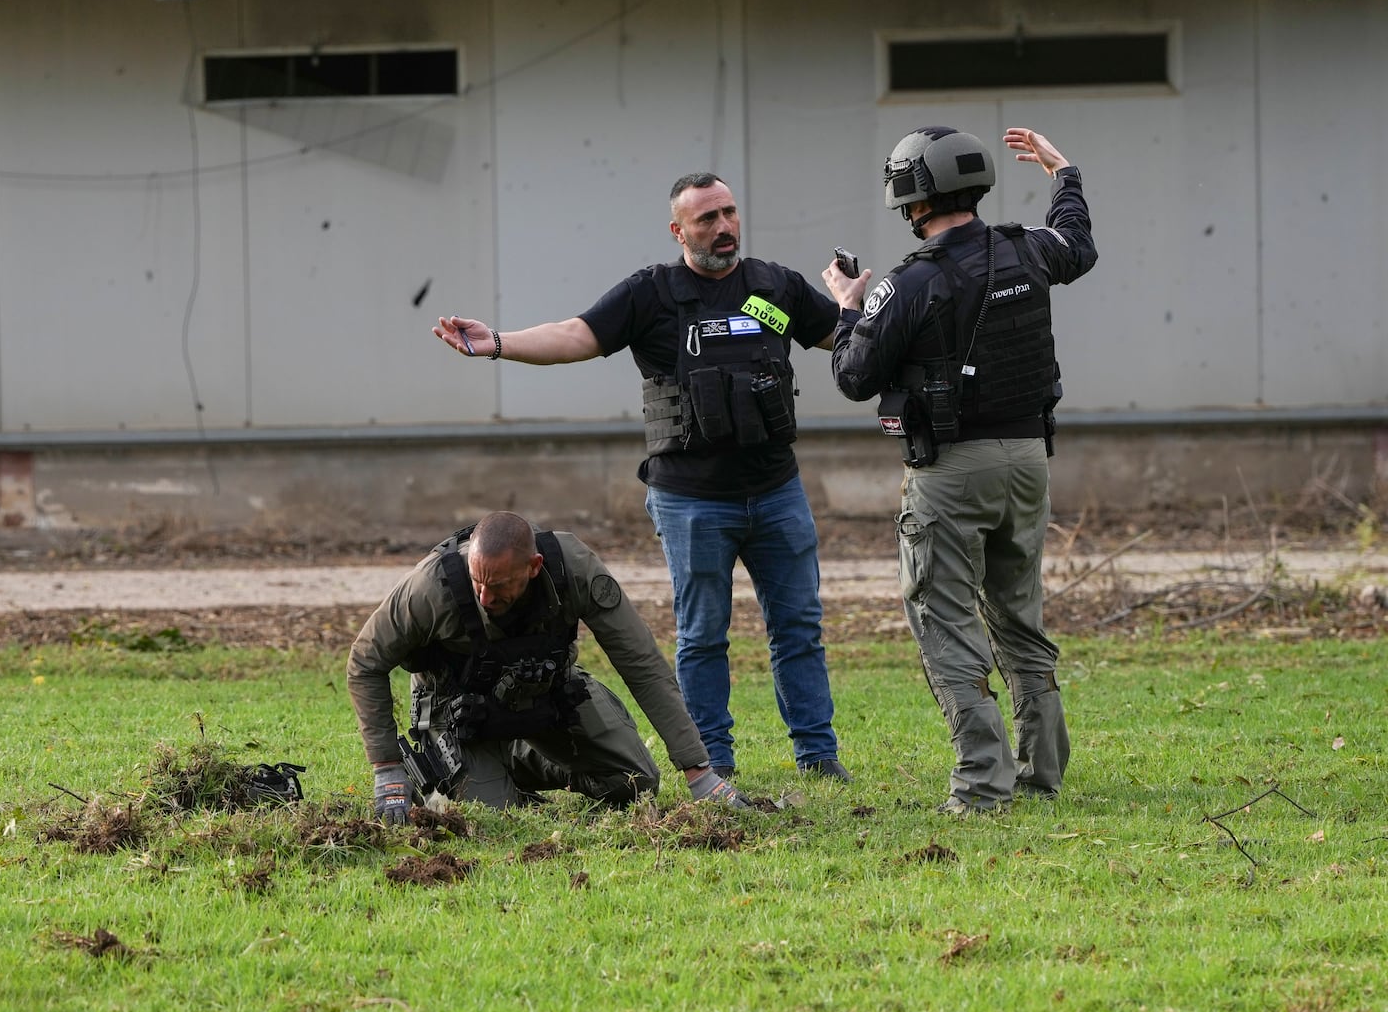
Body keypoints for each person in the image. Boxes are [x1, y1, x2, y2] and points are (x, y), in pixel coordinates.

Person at [430, 175, 850, 783]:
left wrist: (856, 302)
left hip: (777, 491)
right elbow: (576, 335)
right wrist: (498, 343)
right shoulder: (652, 294)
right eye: (707, 218)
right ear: (680, 231)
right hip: (691, 501)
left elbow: (842, 338)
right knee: (704, 635)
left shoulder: (774, 286)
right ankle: (712, 762)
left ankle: (818, 756)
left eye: (729, 213)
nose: (723, 227)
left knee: (799, 628)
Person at [823, 126, 1097, 816]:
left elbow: (855, 377)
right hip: (1029, 461)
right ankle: (1043, 771)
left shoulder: (912, 282)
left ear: (911, 197)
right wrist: (1065, 174)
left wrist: (848, 307)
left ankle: (981, 783)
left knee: (945, 621)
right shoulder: (1027, 249)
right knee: (1019, 616)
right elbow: (1078, 244)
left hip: (951, 471)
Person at [347, 511, 749, 820]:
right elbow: (365, 660)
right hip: (459, 715)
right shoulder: (430, 587)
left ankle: (517, 758)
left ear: (533, 567)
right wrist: (386, 768)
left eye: (500, 585)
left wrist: (699, 770)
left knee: (635, 782)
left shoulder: (572, 569)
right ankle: (479, 767)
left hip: (543, 694)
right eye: (478, 583)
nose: (485, 597)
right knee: (495, 817)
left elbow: (640, 661)